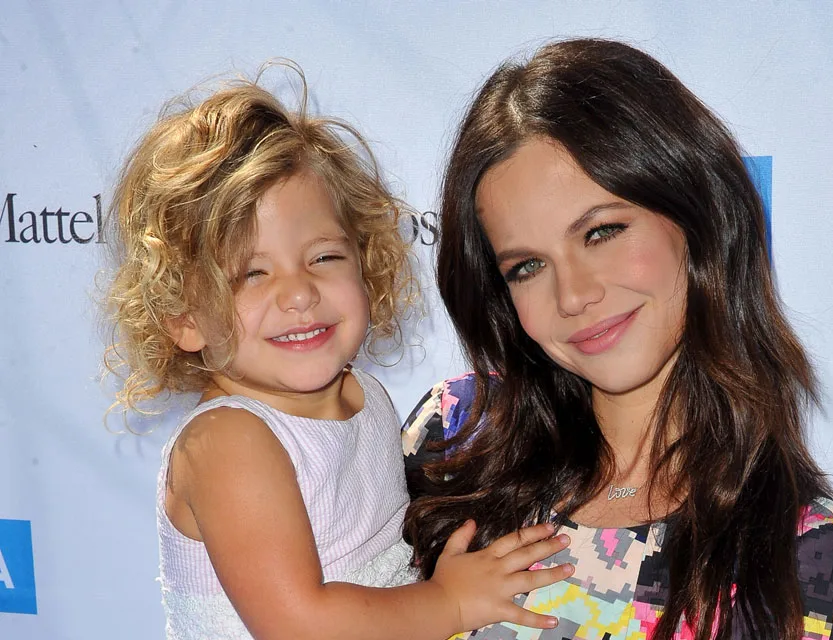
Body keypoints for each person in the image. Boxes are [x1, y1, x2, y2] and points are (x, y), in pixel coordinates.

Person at [403, 39, 833, 640]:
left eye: (601, 231)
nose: (573, 295)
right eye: (526, 266)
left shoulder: (808, 559)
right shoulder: (452, 440)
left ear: (697, 217)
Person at [104, 70, 572, 640]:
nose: (299, 292)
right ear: (184, 317)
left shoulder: (365, 395)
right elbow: (301, 625)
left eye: (323, 257)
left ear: (367, 262)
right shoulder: (229, 442)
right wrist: (448, 602)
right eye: (252, 273)